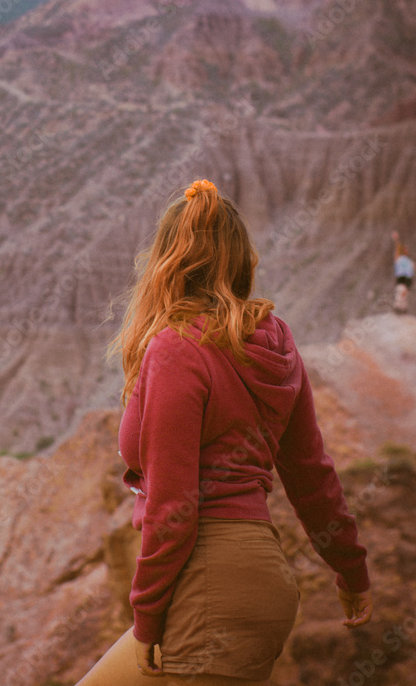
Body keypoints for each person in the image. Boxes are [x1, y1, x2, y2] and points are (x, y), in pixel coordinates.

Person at [76, 180, 372, 686]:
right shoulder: (277, 345)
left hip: (208, 583)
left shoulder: (175, 348)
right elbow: (310, 475)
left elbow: (174, 503)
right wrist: (351, 569)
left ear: (165, 262)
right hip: (260, 582)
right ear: (242, 262)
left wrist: (146, 615)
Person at [391, 230, 414, 313]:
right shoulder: (399, 259)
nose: (406, 250)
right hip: (401, 277)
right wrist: (396, 240)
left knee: (404, 294)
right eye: (404, 249)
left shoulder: (409, 261)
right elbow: (397, 248)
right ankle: (399, 306)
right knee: (401, 291)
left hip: (408, 278)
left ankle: (401, 307)